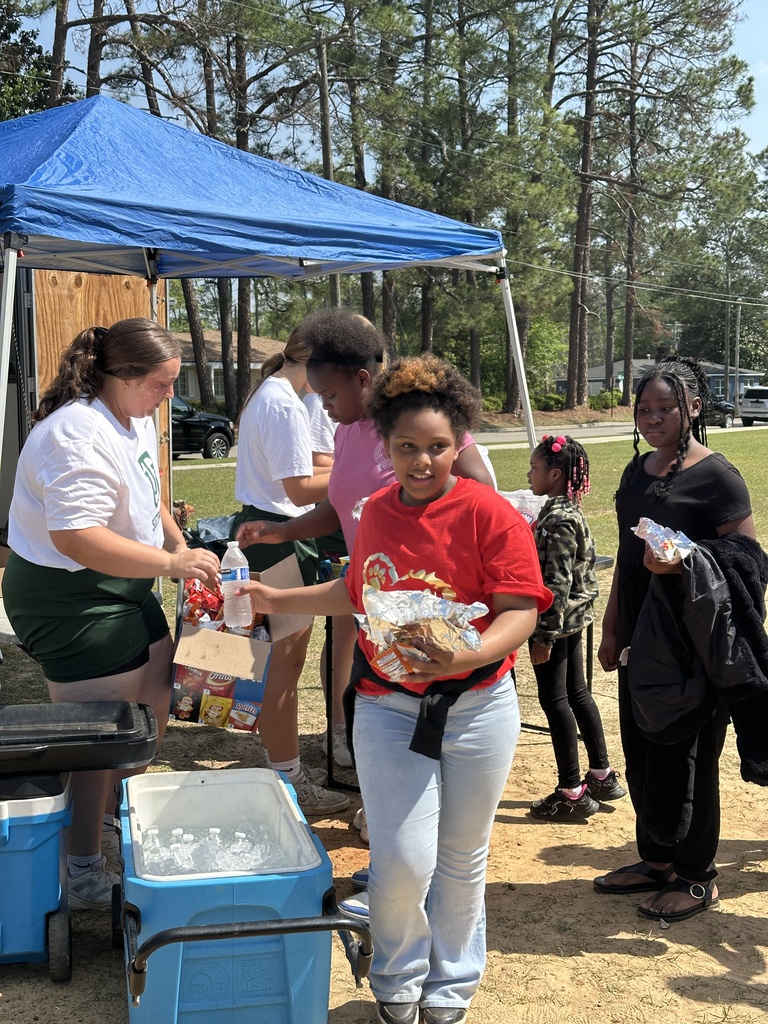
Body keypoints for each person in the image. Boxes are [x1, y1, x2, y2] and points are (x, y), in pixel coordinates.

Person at [236, 354, 551, 1024]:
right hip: (386, 705)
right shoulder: (375, 510)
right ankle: (396, 976)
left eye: (438, 448)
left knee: (462, 859)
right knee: (403, 858)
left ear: (458, 443)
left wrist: (468, 651)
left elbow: (521, 607)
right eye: (407, 447)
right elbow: (355, 593)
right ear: (386, 445)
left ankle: (450, 988)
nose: (422, 462)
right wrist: (271, 592)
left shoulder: (488, 513)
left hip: (476, 707)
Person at [236, 308, 496, 832]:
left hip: (425, 604)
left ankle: (407, 828)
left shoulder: (415, 428)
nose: (324, 408)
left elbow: (482, 496)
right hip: (372, 602)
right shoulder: (351, 432)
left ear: (362, 379)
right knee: (378, 707)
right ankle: (391, 818)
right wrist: (282, 531)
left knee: (419, 710)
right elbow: (341, 503)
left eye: (329, 396)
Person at [1, 318, 221, 911]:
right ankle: (80, 868)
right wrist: (169, 565)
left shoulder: (132, 416)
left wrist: (175, 546)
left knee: (152, 699)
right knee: (98, 737)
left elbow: (151, 498)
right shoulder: (74, 432)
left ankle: (100, 821)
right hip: (69, 594)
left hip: (124, 579)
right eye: (161, 384)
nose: (170, 396)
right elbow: (76, 538)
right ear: (118, 376)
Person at [595, 356, 755, 922]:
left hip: (693, 643)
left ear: (694, 407)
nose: (653, 418)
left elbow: (748, 562)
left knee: (688, 758)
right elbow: (628, 561)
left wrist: (684, 560)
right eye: (644, 408)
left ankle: (696, 876)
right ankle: (657, 858)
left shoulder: (717, 476)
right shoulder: (636, 472)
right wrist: (613, 626)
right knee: (642, 752)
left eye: (665, 408)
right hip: (641, 636)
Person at [231, 327, 349, 817]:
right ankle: (290, 780)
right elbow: (300, 489)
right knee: (282, 670)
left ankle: (285, 771)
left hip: (274, 530)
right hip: (278, 532)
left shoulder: (274, 394)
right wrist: (364, 471)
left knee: (277, 667)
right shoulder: (283, 404)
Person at [527, 434, 626, 820]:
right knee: (576, 693)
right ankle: (601, 775)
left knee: (556, 701)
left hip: (559, 622)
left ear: (554, 474)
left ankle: (571, 791)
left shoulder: (558, 520)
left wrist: (543, 635)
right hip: (573, 617)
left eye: (535, 468)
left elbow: (557, 583)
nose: (529, 474)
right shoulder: (565, 511)